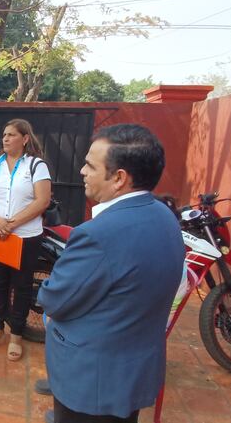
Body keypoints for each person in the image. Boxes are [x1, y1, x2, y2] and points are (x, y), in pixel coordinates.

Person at [35, 124, 185, 423]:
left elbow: (56, 299)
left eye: (90, 165)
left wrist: (48, 301)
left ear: (119, 178)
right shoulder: (164, 216)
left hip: (92, 380)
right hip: (132, 370)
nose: (81, 171)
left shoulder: (98, 235)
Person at [0, 119, 52, 361]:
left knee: (21, 285)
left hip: (25, 237)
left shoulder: (36, 166)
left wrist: (12, 224)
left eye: (11, 135)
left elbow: (42, 201)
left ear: (25, 138)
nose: (5, 139)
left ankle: (16, 334)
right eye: (4, 134)